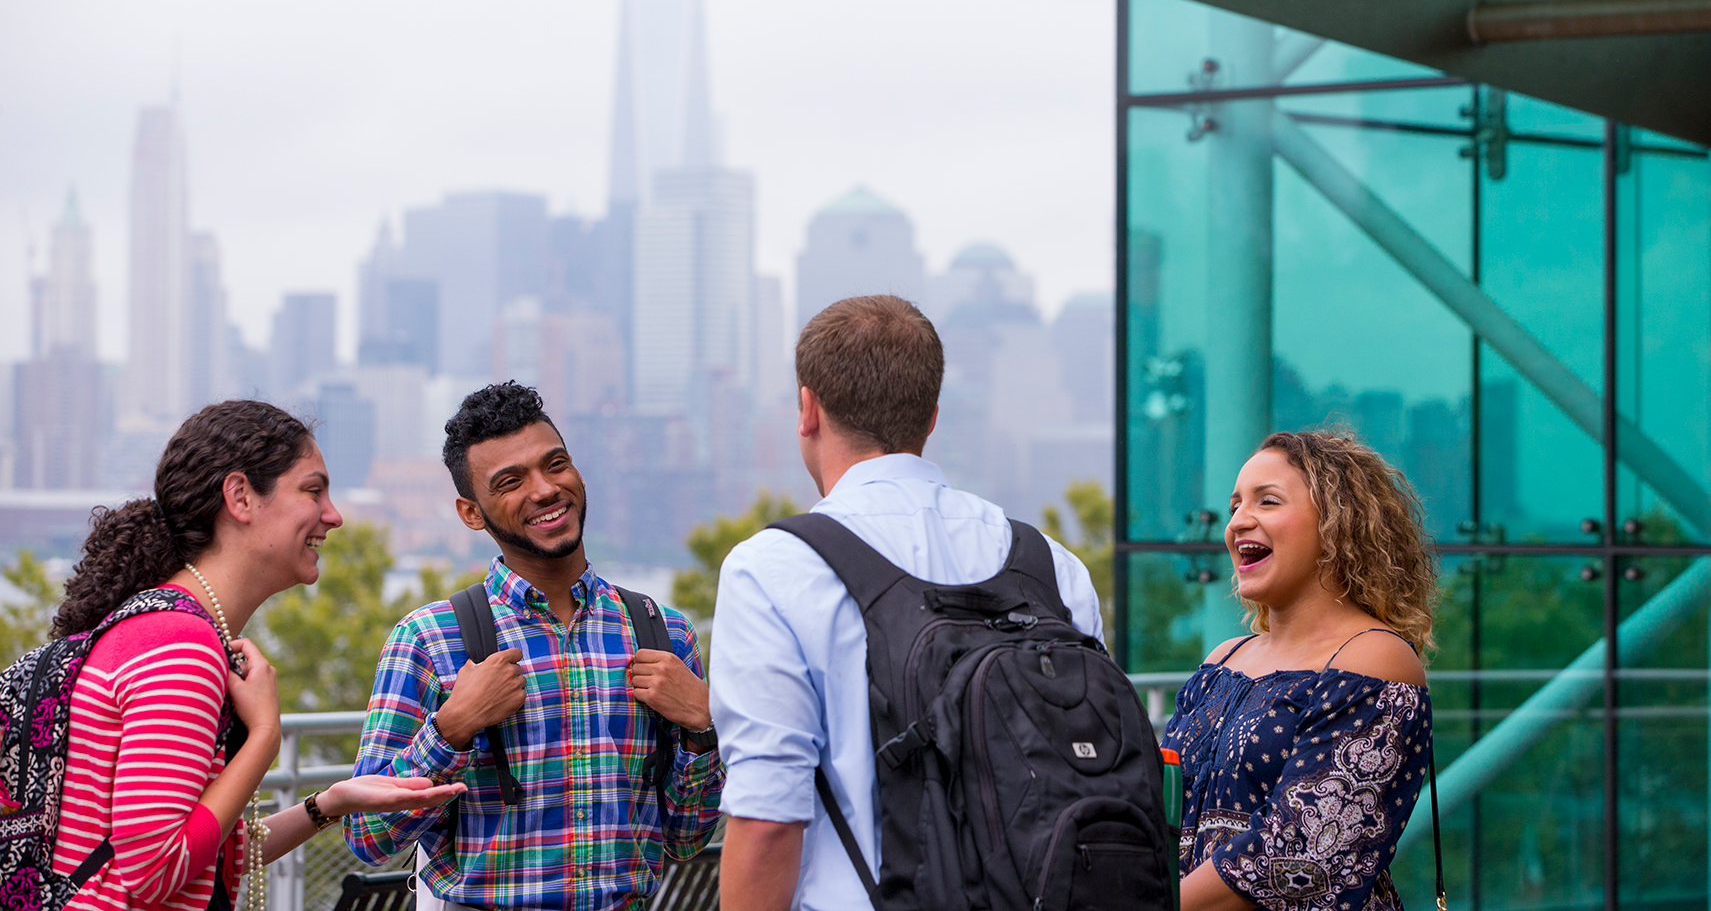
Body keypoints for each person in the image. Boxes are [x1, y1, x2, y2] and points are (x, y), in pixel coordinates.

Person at [709, 294, 1105, 911]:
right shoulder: (1052, 566)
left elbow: (767, 820)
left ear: (807, 409)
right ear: (932, 415)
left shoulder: (773, 568)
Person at [53, 399, 466, 911]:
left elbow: (202, 855)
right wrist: (266, 737)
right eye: (313, 491)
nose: (333, 516)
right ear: (241, 496)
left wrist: (329, 803)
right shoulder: (179, 649)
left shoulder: (164, 629)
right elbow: (155, 870)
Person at [344, 382, 723, 910]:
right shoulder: (429, 640)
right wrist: (451, 730)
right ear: (472, 512)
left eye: (556, 464)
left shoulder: (664, 633)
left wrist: (702, 728)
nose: (545, 490)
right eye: (510, 481)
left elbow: (687, 839)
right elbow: (367, 836)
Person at [1163, 429, 1437, 911]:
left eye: (1267, 502)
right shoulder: (1222, 660)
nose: (1238, 522)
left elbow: (1297, 855)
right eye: (1234, 506)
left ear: (1337, 524)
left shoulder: (1374, 660)